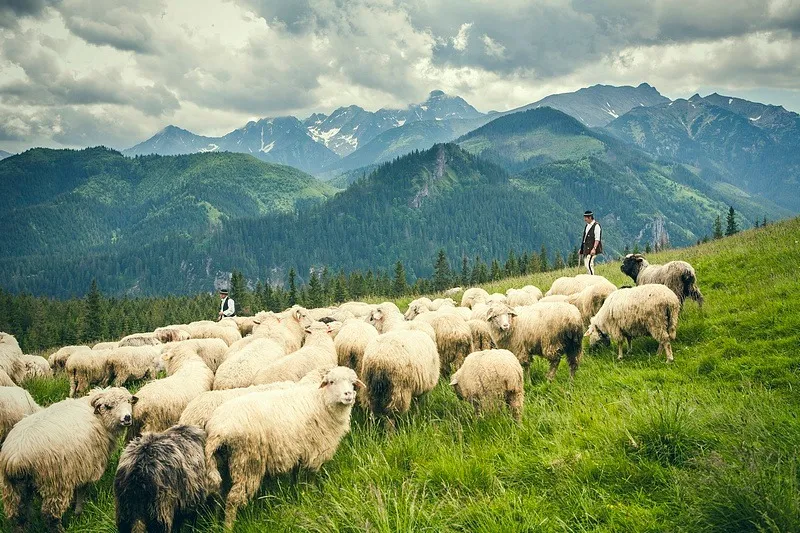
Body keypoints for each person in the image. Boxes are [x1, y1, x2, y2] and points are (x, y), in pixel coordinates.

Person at [579, 210, 602, 275]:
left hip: (592, 249)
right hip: (586, 249)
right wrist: (581, 248)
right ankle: (590, 277)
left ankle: (592, 279)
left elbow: (597, 239)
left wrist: (594, 248)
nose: (584, 219)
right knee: (587, 264)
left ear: (590, 217)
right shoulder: (587, 225)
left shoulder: (596, 226)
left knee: (589, 264)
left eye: (585, 218)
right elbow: (585, 239)